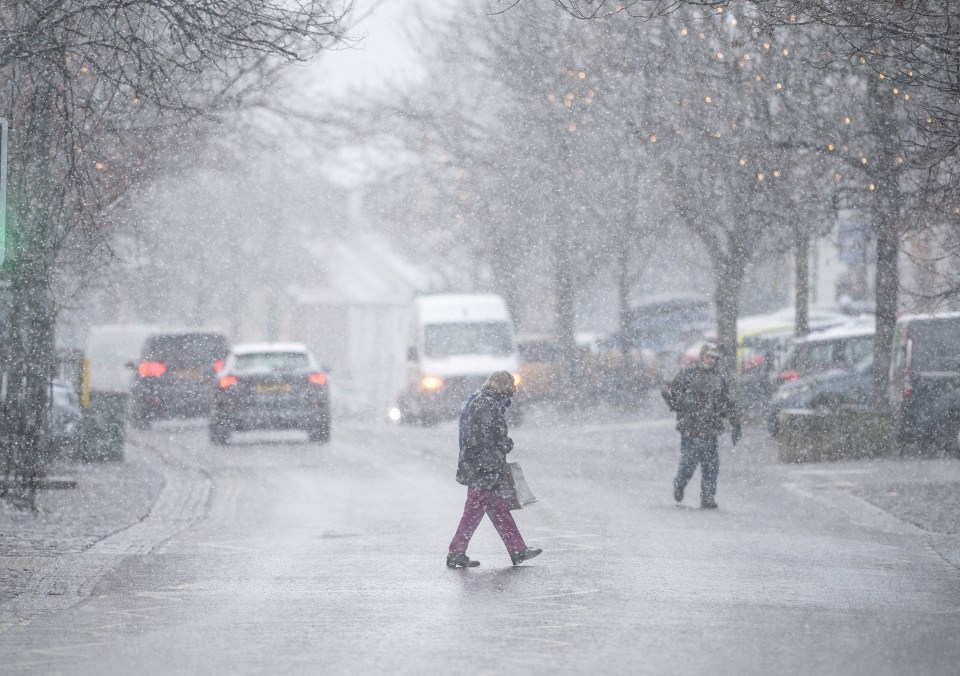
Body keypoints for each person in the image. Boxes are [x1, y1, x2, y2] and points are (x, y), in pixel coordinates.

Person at [446, 370, 542, 569]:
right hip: (484, 470)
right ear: (504, 385)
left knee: (499, 510)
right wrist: (506, 444)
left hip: (480, 467)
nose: (513, 391)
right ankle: (456, 552)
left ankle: (518, 550)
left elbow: (475, 436)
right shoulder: (488, 405)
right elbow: (490, 438)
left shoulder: (481, 401)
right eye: (511, 386)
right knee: (473, 513)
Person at [662, 343, 741, 510]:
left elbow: (727, 403)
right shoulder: (688, 375)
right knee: (688, 464)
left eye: (714, 358)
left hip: (710, 430)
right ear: (702, 356)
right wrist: (679, 403)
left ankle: (708, 497)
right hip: (690, 429)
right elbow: (670, 391)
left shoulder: (719, 380)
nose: (711, 360)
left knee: (711, 466)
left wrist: (735, 423)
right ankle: (680, 484)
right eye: (708, 356)